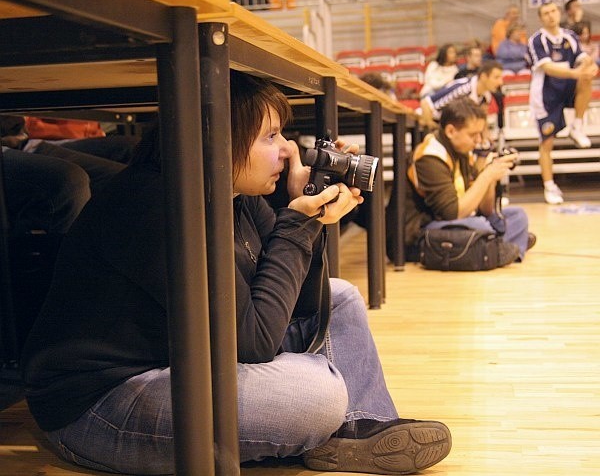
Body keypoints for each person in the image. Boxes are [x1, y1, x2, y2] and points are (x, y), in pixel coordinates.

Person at [21, 70, 452, 475]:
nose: (287, 149)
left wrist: (311, 216)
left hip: (181, 359)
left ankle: (362, 428)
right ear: (218, 139)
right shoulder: (159, 206)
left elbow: (301, 304)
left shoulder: (233, 194)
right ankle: (328, 426)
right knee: (317, 395)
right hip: (101, 403)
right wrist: (299, 224)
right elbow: (256, 342)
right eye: (270, 135)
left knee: (339, 298)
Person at [388, 97, 534, 263]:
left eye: (480, 134)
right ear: (451, 131)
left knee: (517, 215)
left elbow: (486, 210)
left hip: (456, 221)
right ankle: (502, 246)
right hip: (419, 232)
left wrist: (491, 177)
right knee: (479, 226)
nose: (479, 140)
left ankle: (494, 249)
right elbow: (453, 213)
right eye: (473, 135)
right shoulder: (429, 157)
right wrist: (486, 176)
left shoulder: (463, 151)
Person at [528, 0, 598, 205]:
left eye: (553, 11)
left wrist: (589, 65)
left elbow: (582, 57)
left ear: (559, 13)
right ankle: (549, 186)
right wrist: (575, 72)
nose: (551, 15)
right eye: (546, 13)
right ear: (541, 18)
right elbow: (548, 68)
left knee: (587, 77)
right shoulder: (537, 40)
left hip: (568, 86)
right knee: (547, 142)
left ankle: (577, 126)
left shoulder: (570, 36)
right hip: (546, 94)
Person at [419, 60, 504, 130]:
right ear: (483, 76)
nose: (501, 82)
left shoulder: (486, 96)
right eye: (496, 77)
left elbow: (481, 122)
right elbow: (426, 103)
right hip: (433, 124)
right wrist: (434, 133)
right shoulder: (462, 89)